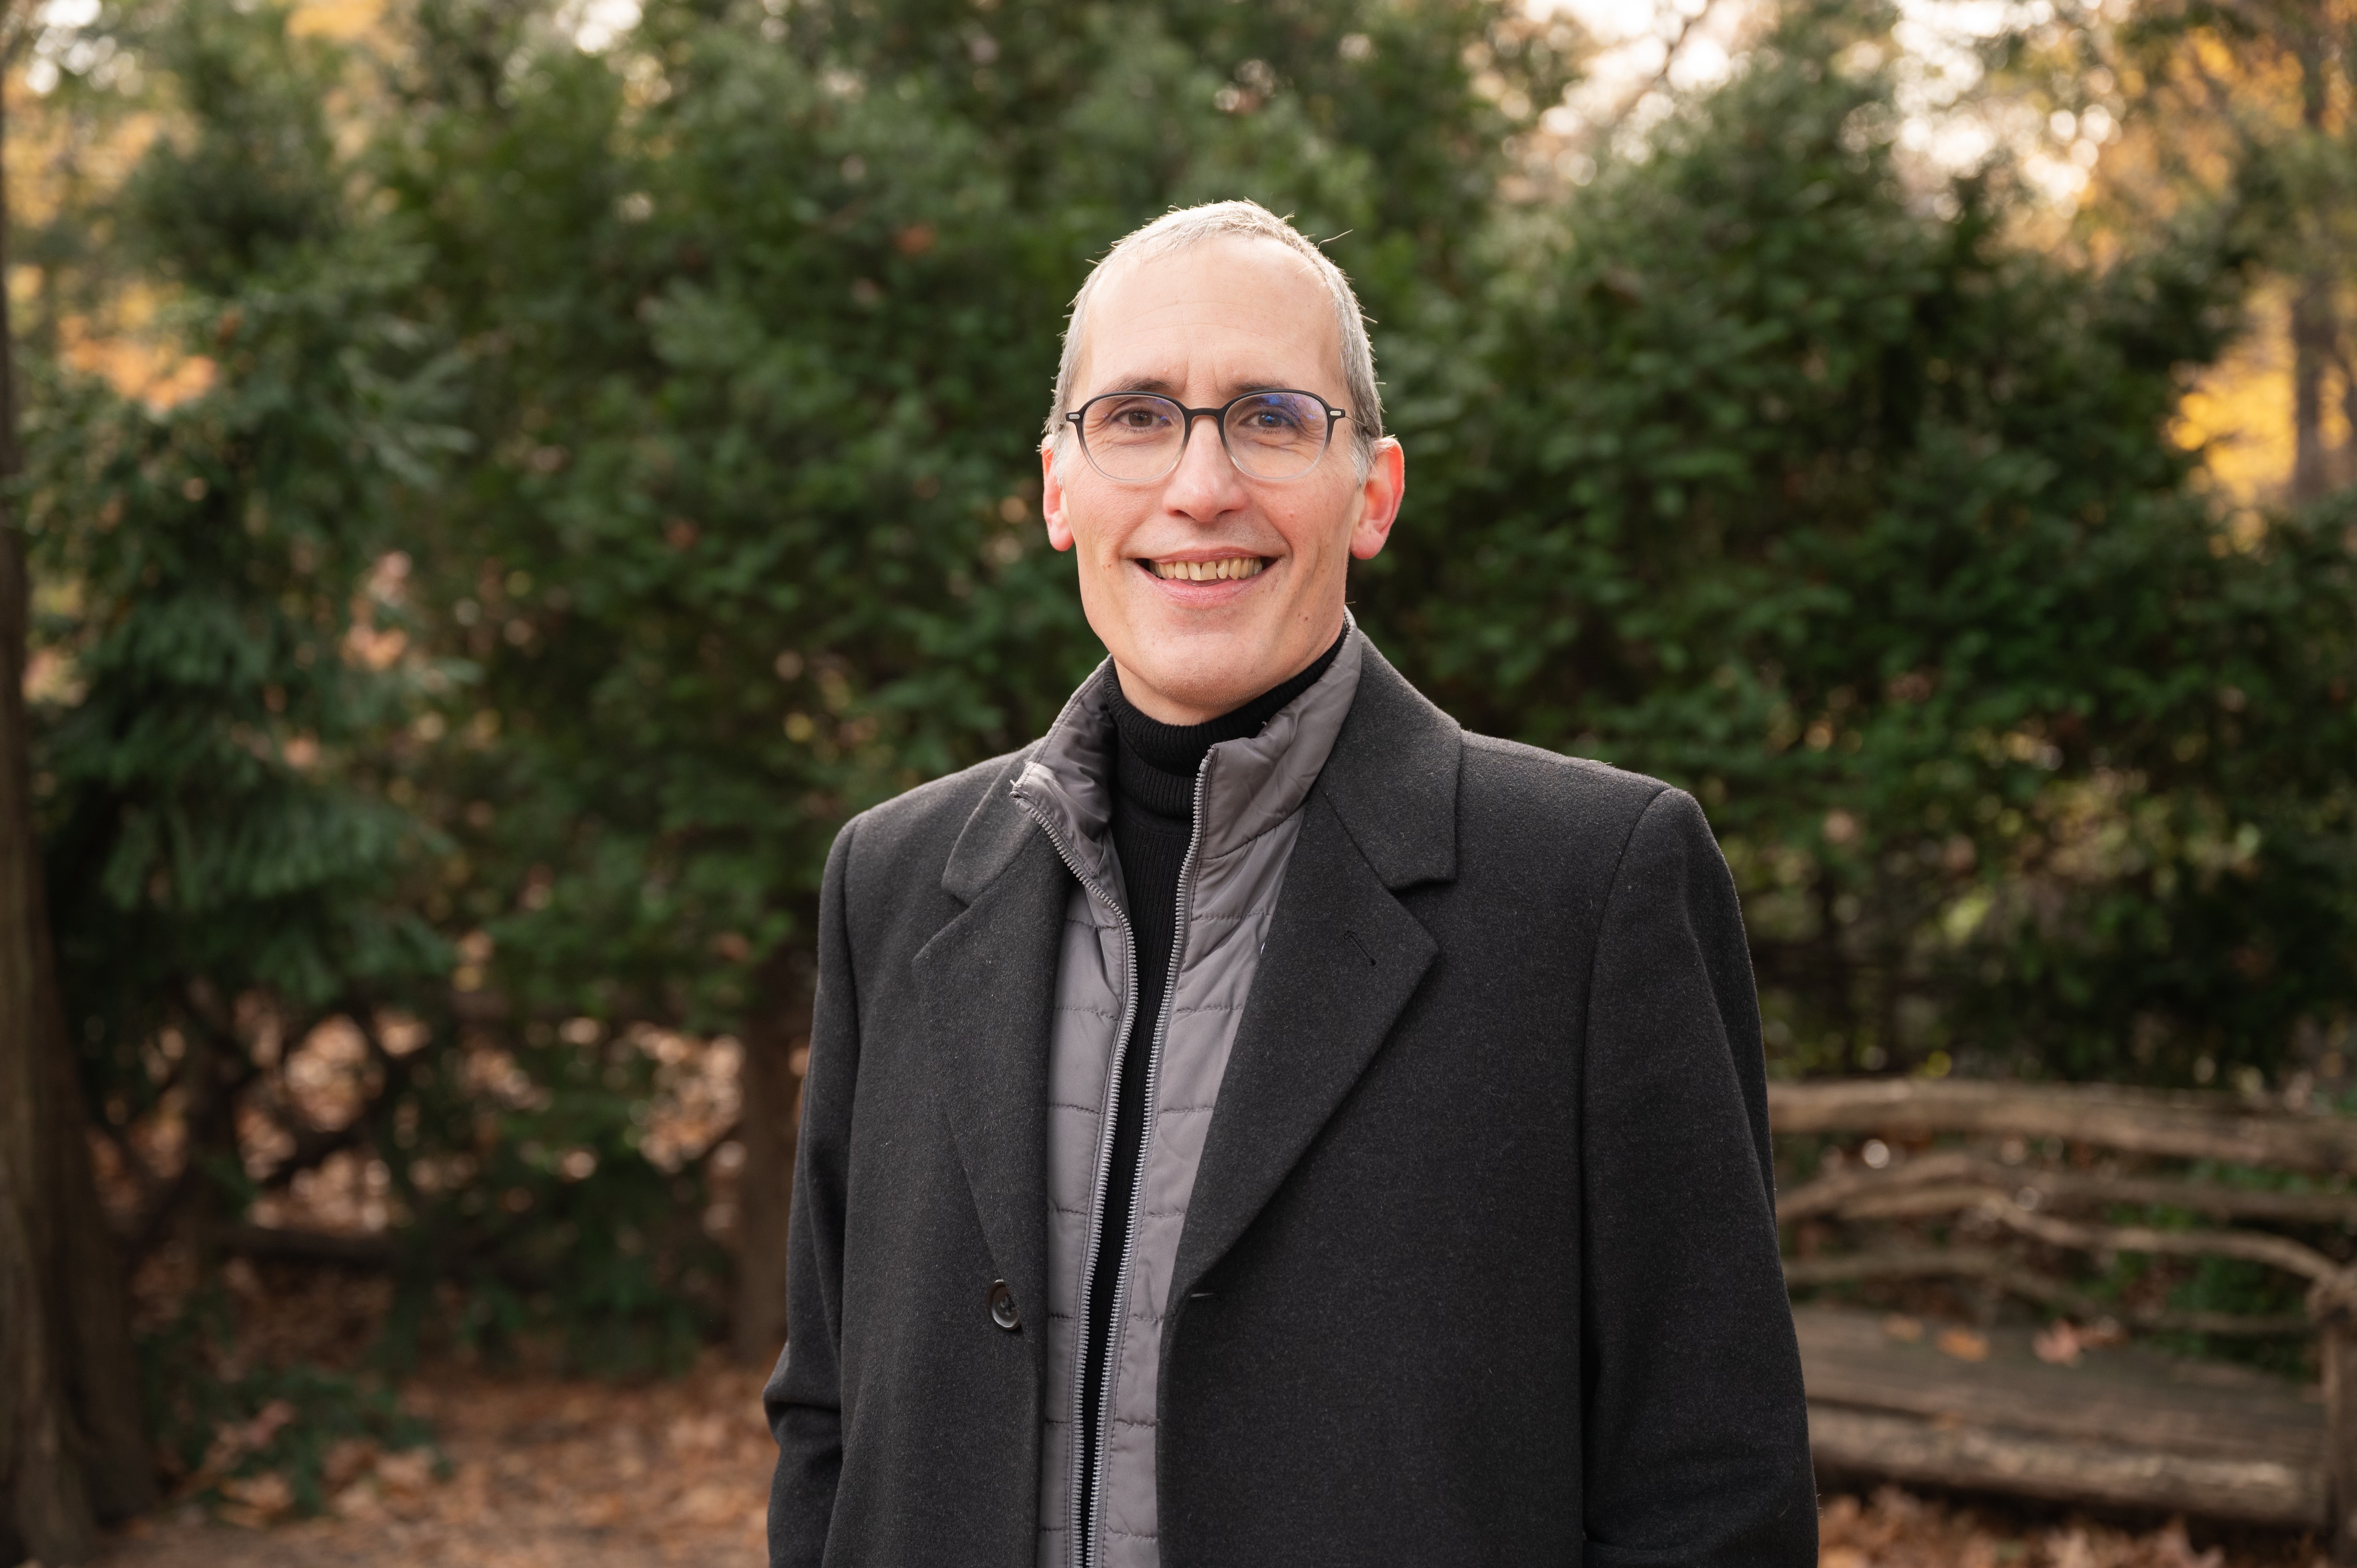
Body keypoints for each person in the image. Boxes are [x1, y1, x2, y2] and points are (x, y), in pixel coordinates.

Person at [763, 199, 1816, 1568]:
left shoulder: (1594, 887)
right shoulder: (896, 881)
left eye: (1268, 417)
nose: (1201, 485)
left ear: (1370, 490)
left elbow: (1713, 1483)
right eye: (1137, 417)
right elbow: (831, 1417)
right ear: (1058, 489)